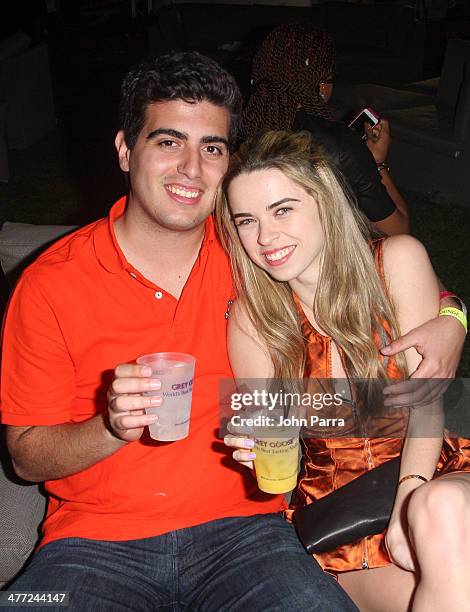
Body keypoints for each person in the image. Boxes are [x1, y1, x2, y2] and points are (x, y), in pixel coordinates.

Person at [0, 51, 465, 610]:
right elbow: (26, 457)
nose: (191, 168)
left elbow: (361, 277)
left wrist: (452, 316)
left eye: (212, 148)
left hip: (246, 539)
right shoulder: (51, 285)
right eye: (168, 141)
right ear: (126, 149)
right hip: (95, 546)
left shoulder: (253, 259)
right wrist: (110, 427)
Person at [218, 129, 470, 612]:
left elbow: (427, 408)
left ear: (325, 201)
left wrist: (407, 506)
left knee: (440, 511)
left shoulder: (397, 262)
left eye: (283, 209)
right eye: (246, 220)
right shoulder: (253, 320)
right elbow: (276, 457)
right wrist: (260, 454)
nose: (265, 238)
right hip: (341, 519)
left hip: (430, 473)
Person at [241, 22, 410, 235]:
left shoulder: (237, 130)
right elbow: (398, 230)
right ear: (322, 84)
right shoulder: (339, 146)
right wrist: (376, 163)